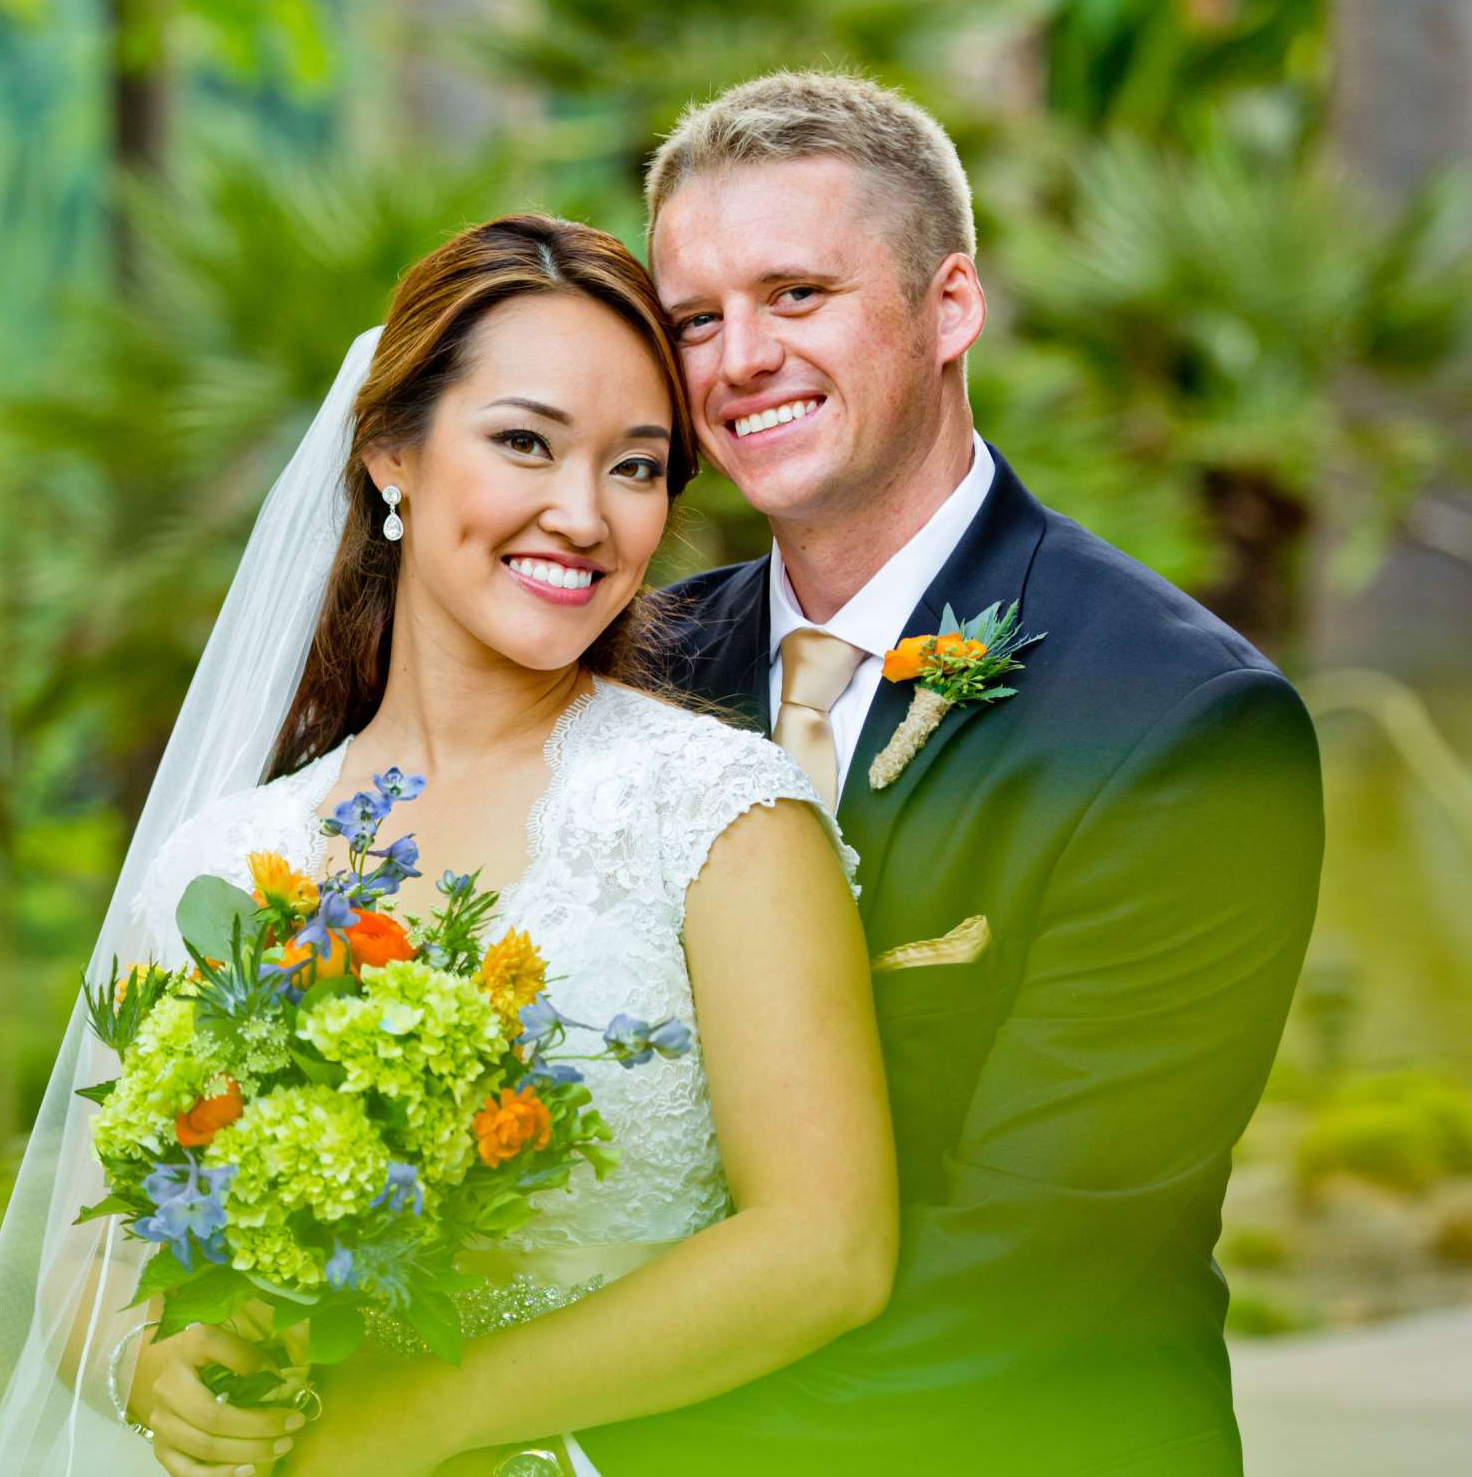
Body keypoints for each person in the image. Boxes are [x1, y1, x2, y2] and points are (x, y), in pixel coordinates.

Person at [0, 213, 896, 1477]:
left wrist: (425, 1418)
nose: (583, 515)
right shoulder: (228, 857)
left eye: (636, 466)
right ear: (391, 453)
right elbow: (89, 1240)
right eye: (523, 444)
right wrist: (147, 1365)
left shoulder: (722, 816)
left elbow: (827, 1249)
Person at [567, 72, 1327, 1477]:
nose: (738, 360)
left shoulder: (1183, 723)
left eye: (797, 295)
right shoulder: (629, 674)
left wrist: (566, 1444)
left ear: (952, 308)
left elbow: (1030, 1284)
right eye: (694, 319)